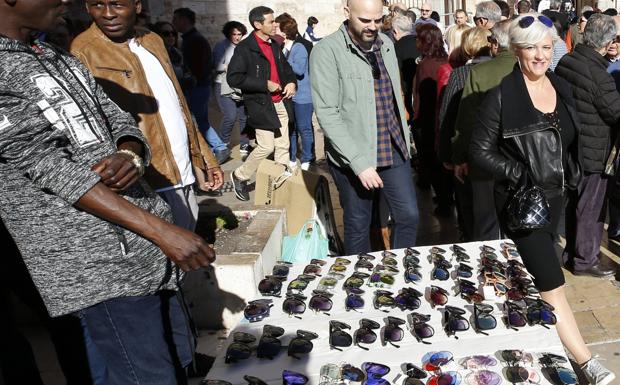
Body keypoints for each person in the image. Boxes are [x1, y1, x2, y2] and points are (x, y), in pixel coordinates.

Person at [0, 0, 217, 383]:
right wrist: (161, 231)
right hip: (98, 268)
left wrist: (129, 152)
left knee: (177, 364)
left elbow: (117, 117)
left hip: (142, 253)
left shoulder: (52, 53)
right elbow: (47, 166)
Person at [471, 14, 616, 385]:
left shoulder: (559, 85)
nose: (540, 54)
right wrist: (520, 173)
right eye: (532, 47)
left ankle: (526, 340)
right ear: (517, 50)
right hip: (523, 205)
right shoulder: (501, 96)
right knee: (553, 282)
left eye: (546, 46)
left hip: (558, 200)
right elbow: (479, 152)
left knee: (534, 278)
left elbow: (568, 138)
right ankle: (586, 363)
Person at [72, 0, 224, 229]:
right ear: (86, 8)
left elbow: (179, 104)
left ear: (137, 6)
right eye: (98, 5)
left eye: (116, 5)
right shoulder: (84, 50)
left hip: (181, 172)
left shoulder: (152, 40)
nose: (108, 14)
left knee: (187, 247)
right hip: (143, 181)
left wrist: (205, 157)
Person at [311, 0, 419, 254]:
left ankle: (403, 272)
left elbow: (394, 96)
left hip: (393, 146)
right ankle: (358, 284)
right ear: (347, 13)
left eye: (378, 20)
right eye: (365, 20)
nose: (372, 26)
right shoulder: (327, 51)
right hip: (353, 154)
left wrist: (407, 137)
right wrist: (359, 163)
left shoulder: (388, 45)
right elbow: (327, 113)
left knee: (409, 216)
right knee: (358, 224)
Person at [555, 13, 620, 277]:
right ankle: (585, 259)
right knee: (591, 207)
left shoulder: (567, 61)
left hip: (571, 144)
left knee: (576, 203)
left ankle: (573, 254)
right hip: (593, 148)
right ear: (606, 43)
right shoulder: (599, 74)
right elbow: (615, 112)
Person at [451, 20, 515, 241]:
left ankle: (492, 271)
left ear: (495, 44)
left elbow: (466, 121)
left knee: (487, 224)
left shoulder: (480, 72)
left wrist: (459, 157)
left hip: (485, 160)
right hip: (519, 161)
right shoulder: (530, 69)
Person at [227, 6, 297, 201]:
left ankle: (279, 182)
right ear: (258, 25)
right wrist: (264, 84)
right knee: (266, 147)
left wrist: (291, 82)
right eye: (271, 22)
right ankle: (239, 175)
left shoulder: (275, 44)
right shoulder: (245, 48)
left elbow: (286, 68)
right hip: (261, 104)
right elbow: (234, 78)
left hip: (280, 102)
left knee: (283, 145)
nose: (275, 25)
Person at [438, 27, 492, 241]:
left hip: (467, 152)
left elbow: (447, 117)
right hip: (492, 152)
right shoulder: (507, 70)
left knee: (468, 211)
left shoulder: (460, 74)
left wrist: (446, 155)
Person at [173, 7, 231, 164]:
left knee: (198, 121)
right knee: (199, 120)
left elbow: (200, 67)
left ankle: (219, 147)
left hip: (198, 87)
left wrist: (191, 80)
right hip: (199, 86)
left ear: (184, 20)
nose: (174, 23)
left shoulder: (194, 40)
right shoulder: (190, 39)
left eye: (176, 19)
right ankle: (216, 148)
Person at [413, 23, 452, 217]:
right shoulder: (446, 60)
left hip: (428, 120)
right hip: (442, 119)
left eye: (418, 38)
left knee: (433, 162)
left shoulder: (426, 65)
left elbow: (420, 96)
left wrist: (416, 118)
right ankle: (446, 197)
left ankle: (444, 202)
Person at [279, 16, 315, 171]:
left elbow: (299, 70)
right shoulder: (285, 47)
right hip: (290, 96)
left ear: (284, 32)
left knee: (304, 128)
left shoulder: (298, 47)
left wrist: (284, 57)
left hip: (303, 96)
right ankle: (292, 157)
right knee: (291, 128)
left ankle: (307, 158)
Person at [212, 21, 252, 155]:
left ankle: (244, 144)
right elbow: (215, 66)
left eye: (239, 34)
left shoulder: (244, 46)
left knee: (244, 116)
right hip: (223, 85)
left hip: (240, 85)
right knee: (230, 116)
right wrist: (228, 67)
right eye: (233, 34)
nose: (236, 37)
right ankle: (223, 144)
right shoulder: (221, 46)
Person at [392, 14, 419, 122]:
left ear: (395, 31)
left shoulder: (396, 47)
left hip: (405, 92)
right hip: (421, 89)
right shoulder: (420, 42)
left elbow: (396, 73)